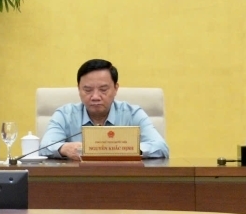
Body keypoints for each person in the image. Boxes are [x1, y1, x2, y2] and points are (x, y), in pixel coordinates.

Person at [41, 59, 169, 160]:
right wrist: (64, 148)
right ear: (78, 89)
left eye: (103, 90)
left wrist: (126, 149)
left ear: (116, 89)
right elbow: (44, 146)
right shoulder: (65, 115)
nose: (95, 97)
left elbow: (161, 147)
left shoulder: (132, 114)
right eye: (88, 90)